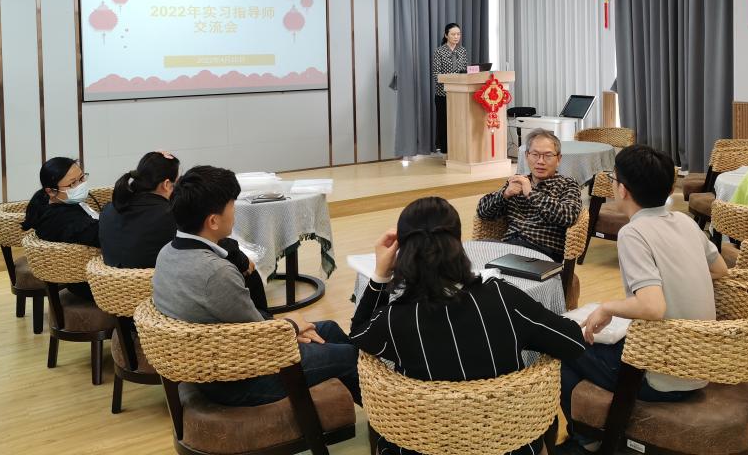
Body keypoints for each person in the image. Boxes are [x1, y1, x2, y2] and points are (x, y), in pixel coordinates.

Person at [350, 196, 586, 455]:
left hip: (421, 447)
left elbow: (359, 333)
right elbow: (572, 342)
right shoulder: (503, 298)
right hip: (509, 446)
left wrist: (380, 275)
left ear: (402, 252)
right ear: (458, 244)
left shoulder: (395, 319)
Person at [559, 145, 727, 454]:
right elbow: (720, 270)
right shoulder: (685, 221)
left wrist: (607, 307)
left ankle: (587, 441)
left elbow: (652, 306)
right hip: (700, 362)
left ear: (622, 189)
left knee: (562, 344)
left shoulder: (633, 233)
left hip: (661, 375)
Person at [152, 165, 360, 406]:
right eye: (232, 205)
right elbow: (261, 333)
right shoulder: (216, 273)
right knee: (348, 356)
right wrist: (292, 325)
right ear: (213, 221)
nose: (235, 211)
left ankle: (375, 414)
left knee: (329, 329)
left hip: (215, 359)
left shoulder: (167, 253)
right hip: (243, 377)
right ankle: (386, 420)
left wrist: (291, 327)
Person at [476, 128, 582, 262]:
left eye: (548, 155)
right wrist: (505, 194)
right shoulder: (517, 181)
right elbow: (483, 213)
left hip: (543, 252)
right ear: (527, 156)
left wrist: (531, 194)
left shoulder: (567, 184)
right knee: (471, 254)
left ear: (558, 159)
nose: (540, 161)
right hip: (510, 247)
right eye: (535, 154)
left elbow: (568, 217)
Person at [21, 156, 99, 299]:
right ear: (51, 191)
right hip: (91, 283)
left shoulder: (61, 203)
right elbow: (102, 236)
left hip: (92, 274)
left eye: (82, 178)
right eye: (72, 183)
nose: (80, 185)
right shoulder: (60, 220)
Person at [99, 151, 179, 269]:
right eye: (175, 184)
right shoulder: (170, 214)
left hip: (108, 279)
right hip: (154, 279)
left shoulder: (108, 209)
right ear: (166, 184)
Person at [431, 22, 469, 154]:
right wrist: (451, 80)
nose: (456, 37)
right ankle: (445, 151)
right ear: (446, 35)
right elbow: (436, 75)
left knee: (459, 123)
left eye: (458, 34)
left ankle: (458, 150)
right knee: (444, 123)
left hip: (460, 94)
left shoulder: (462, 51)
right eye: (453, 34)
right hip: (443, 95)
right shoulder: (439, 51)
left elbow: (465, 71)